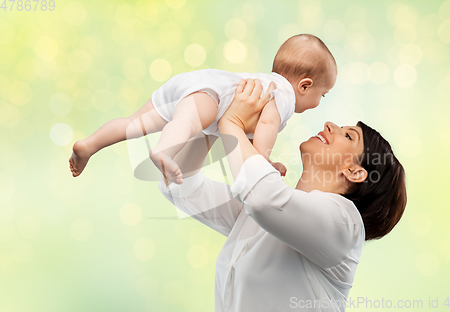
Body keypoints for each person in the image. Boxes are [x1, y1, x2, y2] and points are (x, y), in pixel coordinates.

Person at [159, 79, 407, 311]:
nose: (330, 125)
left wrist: (232, 121)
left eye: (348, 135)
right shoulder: (268, 213)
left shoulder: (345, 225)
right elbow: (182, 187)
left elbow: (263, 198)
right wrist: (215, 117)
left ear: (354, 172)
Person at [68, 34, 337, 182]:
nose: (318, 103)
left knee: (134, 123)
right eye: (322, 95)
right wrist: (263, 161)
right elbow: (266, 127)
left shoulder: (265, 82)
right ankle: (164, 149)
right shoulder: (284, 96)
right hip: (211, 96)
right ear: (304, 85)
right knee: (186, 124)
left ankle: (89, 145)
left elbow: (245, 134)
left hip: (191, 82)